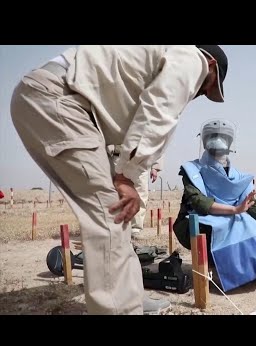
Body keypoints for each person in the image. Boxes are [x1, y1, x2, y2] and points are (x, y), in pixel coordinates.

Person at [10, 45, 228, 315]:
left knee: (119, 213)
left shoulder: (156, 58)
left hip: (64, 103)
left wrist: (126, 174)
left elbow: (137, 121)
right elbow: (160, 108)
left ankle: (129, 298)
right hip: (59, 99)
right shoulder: (192, 57)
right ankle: (121, 309)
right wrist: (125, 177)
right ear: (210, 64)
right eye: (208, 86)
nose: (201, 93)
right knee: (110, 212)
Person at [173, 120, 256, 292]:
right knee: (227, 226)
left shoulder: (238, 176)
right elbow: (199, 202)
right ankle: (229, 272)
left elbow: (252, 206)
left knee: (254, 226)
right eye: (213, 136)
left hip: (232, 216)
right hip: (193, 222)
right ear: (205, 140)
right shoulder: (192, 169)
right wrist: (234, 210)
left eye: (222, 137)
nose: (218, 142)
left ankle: (253, 271)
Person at [107, 145, 164, 240]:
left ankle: (135, 229)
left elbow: (158, 138)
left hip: (140, 160)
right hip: (117, 158)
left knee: (140, 195)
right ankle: (114, 228)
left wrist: (155, 166)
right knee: (115, 194)